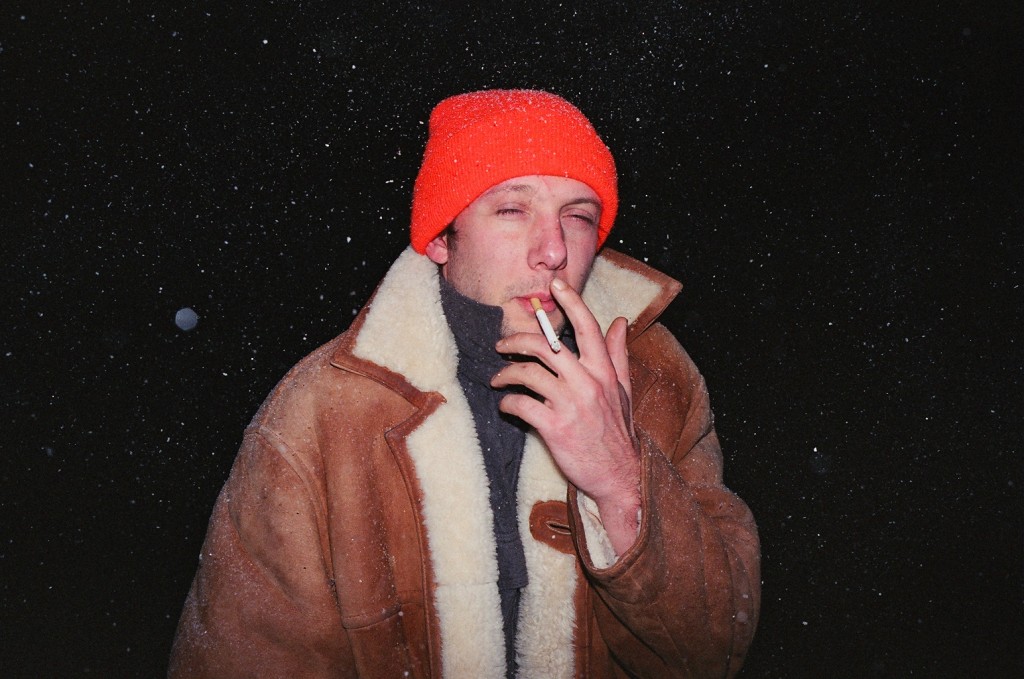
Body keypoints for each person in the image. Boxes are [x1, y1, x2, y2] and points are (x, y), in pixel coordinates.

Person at [169, 89, 760, 679]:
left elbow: (712, 654)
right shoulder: (321, 413)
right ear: (440, 238)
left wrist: (621, 481)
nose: (554, 250)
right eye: (512, 210)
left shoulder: (660, 382)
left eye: (578, 216)